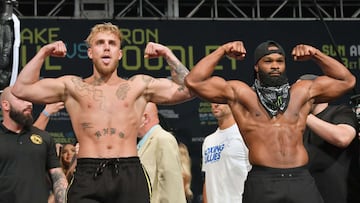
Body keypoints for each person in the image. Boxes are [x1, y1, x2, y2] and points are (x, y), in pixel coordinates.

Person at [11, 22, 193, 203]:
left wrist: (167, 54)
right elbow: (21, 89)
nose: (106, 47)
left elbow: (188, 90)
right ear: (90, 52)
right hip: (88, 174)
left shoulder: (138, 86)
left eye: (112, 43)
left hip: (129, 173)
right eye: (100, 43)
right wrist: (44, 52)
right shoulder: (73, 87)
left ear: (120, 54)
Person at [184, 40, 356, 202]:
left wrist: (316, 55)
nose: (275, 66)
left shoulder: (301, 92)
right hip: (263, 180)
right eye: (268, 61)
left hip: (301, 179)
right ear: (256, 66)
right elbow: (194, 81)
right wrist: (222, 50)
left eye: (280, 61)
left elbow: (347, 81)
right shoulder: (242, 94)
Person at [0, 86, 68, 203]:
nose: (29, 104)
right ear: (6, 105)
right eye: (22, 99)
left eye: (29, 99)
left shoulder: (44, 137)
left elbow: (57, 176)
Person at [300, 74, 360, 203]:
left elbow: (343, 138)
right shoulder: (297, 124)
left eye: (302, 92)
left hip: (341, 196)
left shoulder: (341, 112)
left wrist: (304, 116)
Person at [137, 102, 186, 203]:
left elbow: (171, 185)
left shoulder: (163, 139)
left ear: (145, 118)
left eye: (132, 115)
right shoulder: (141, 143)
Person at [202, 103, 251, 203]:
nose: (215, 104)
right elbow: (208, 179)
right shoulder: (208, 140)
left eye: (220, 100)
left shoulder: (245, 135)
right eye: (212, 100)